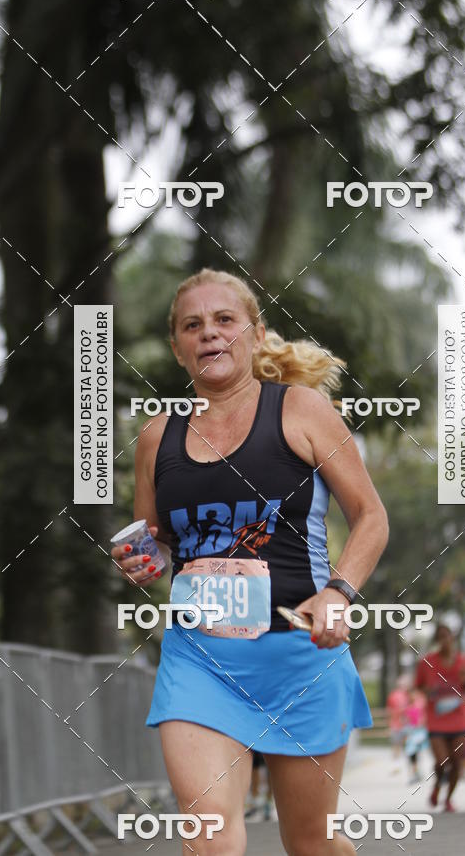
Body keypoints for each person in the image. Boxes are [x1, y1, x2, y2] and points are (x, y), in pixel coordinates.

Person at [111, 268, 389, 855]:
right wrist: (142, 560)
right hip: (201, 660)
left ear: (256, 335)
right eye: (193, 325)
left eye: (224, 320)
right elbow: (158, 542)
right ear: (178, 348)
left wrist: (339, 593)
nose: (209, 333)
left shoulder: (302, 411)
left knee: (310, 843)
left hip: (301, 657)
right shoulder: (157, 437)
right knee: (209, 834)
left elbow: (371, 516)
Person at [415, 624, 465, 812]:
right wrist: (428, 691)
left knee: (457, 762)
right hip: (436, 721)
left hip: (459, 721)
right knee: (443, 760)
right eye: (441, 637)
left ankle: (449, 799)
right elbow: (418, 686)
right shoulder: (427, 663)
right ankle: (437, 785)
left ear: (453, 638)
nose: (445, 640)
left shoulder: (464, 662)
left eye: (447, 636)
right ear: (437, 640)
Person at [403, 688, 427, 784]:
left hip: (419, 732)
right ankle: (415, 773)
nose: (412, 696)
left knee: (416, 753)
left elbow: (424, 717)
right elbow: (405, 719)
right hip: (410, 731)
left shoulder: (421, 705)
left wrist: (421, 723)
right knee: (411, 753)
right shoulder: (407, 707)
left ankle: (417, 772)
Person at [386, 676, 410, 773]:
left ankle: (410, 768)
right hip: (396, 725)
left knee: (408, 746)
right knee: (396, 746)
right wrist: (390, 724)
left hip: (406, 725)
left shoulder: (409, 696)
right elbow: (389, 710)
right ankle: (396, 766)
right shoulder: (393, 695)